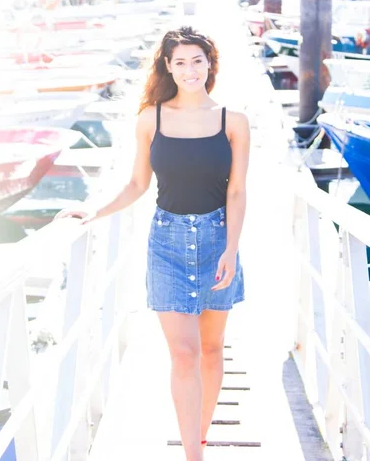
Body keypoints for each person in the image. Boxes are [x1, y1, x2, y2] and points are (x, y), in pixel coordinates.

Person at [55, 25, 250, 461]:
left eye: (197, 60)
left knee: (212, 349)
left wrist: (232, 249)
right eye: (179, 61)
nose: (189, 69)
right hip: (166, 243)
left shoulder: (233, 121)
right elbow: (137, 183)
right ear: (167, 66)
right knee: (184, 354)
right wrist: (94, 211)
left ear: (210, 63)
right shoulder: (151, 119)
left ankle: (199, 437)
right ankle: (193, 456)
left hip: (219, 239)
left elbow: (236, 191)